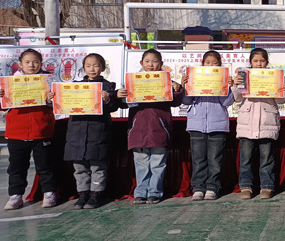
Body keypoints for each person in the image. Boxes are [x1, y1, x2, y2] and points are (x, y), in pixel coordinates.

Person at [0, 49, 58, 210]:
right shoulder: (11, 83)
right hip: (16, 134)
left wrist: (52, 98)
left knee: (45, 166)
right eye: (27, 62)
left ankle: (49, 193)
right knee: (16, 167)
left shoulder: (48, 81)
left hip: (42, 132)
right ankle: (15, 195)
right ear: (20, 64)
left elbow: (59, 103)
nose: (31, 65)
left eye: (35, 62)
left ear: (41, 63)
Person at [64, 53, 128, 209]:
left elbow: (115, 106)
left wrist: (108, 100)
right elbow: (63, 103)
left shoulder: (109, 87)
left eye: (96, 65)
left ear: (103, 68)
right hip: (76, 132)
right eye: (88, 66)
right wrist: (54, 97)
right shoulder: (74, 86)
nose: (92, 69)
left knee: (97, 166)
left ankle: (97, 194)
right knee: (79, 166)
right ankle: (83, 194)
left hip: (98, 131)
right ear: (83, 68)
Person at [126, 49, 184, 204]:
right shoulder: (133, 82)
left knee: (158, 164)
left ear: (161, 63)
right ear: (141, 63)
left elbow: (176, 102)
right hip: (138, 130)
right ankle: (140, 192)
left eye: (154, 61)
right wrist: (121, 94)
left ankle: (155, 192)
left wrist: (178, 89)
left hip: (159, 129)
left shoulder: (167, 82)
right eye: (147, 61)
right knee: (141, 164)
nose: (150, 64)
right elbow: (125, 102)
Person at [232, 48, 285, 200]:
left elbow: (280, 100)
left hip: (267, 123)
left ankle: (267, 186)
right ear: (250, 62)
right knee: (246, 159)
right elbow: (237, 98)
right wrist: (235, 85)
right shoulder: (243, 76)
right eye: (255, 61)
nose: (259, 64)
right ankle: (246, 186)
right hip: (247, 124)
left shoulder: (273, 76)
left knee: (267, 159)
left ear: (267, 62)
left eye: (262, 61)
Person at [182, 50, 234, 201]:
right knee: (198, 159)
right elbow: (186, 101)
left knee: (215, 159)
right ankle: (198, 188)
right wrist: (186, 86)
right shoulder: (195, 78)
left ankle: (212, 187)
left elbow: (227, 102)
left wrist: (227, 87)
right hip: (196, 124)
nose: (211, 65)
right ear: (203, 64)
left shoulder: (222, 79)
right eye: (208, 62)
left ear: (220, 65)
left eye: (215, 63)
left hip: (218, 124)